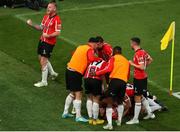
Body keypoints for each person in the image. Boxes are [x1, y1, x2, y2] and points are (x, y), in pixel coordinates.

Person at [62, 37, 102, 122]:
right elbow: (91, 59)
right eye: (96, 45)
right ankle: (78, 116)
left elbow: (74, 54)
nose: (96, 48)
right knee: (79, 93)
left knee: (72, 92)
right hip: (75, 72)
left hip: (69, 70)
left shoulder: (80, 47)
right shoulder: (89, 49)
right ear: (93, 44)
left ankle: (65, 112)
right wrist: (98, 59)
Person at [92, 46, 130, 130]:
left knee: (109, 102)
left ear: (115, 52)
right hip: (123, 82)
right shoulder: (126, 61)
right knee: (120, 102)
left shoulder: (113, 58)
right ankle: (119, 121)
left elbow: (108, 69)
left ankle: (109, 125)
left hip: (115, 81)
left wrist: (97, 73)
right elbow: (128, 74)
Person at [26, 2, 61, 87]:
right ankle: (52, 73)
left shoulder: (57, 19)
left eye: (49, 7)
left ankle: (44, 82)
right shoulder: (45, 17)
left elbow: (58, 32)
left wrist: (48, 35)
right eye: (47, 7)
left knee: (43, 61)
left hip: (49, 43)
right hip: (42, 40)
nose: (47, 8)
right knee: (40, 58)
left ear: (54, 9)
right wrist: (31, 24)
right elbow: (41, 27)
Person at [126, 37, 155, 125]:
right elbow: (151, 59)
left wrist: (132, 64)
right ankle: (150, 113)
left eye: (131, 43)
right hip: (143, 77)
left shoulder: (138, 54)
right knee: (142, 96)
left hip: (139, 78)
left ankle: (135, 119)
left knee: (137, 98)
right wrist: (145, 67)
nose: (130, 45)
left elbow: (142, 67)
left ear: (134, 43)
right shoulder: (143, 51)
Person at [84, 60, 107, 125]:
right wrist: (105, 86)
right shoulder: (104, 63)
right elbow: (102, 75)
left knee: (89, 98)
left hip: (86, 79)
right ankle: (95, 119)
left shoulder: (92, 61)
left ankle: (90, 118)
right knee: (96, 99)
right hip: (95, 80)